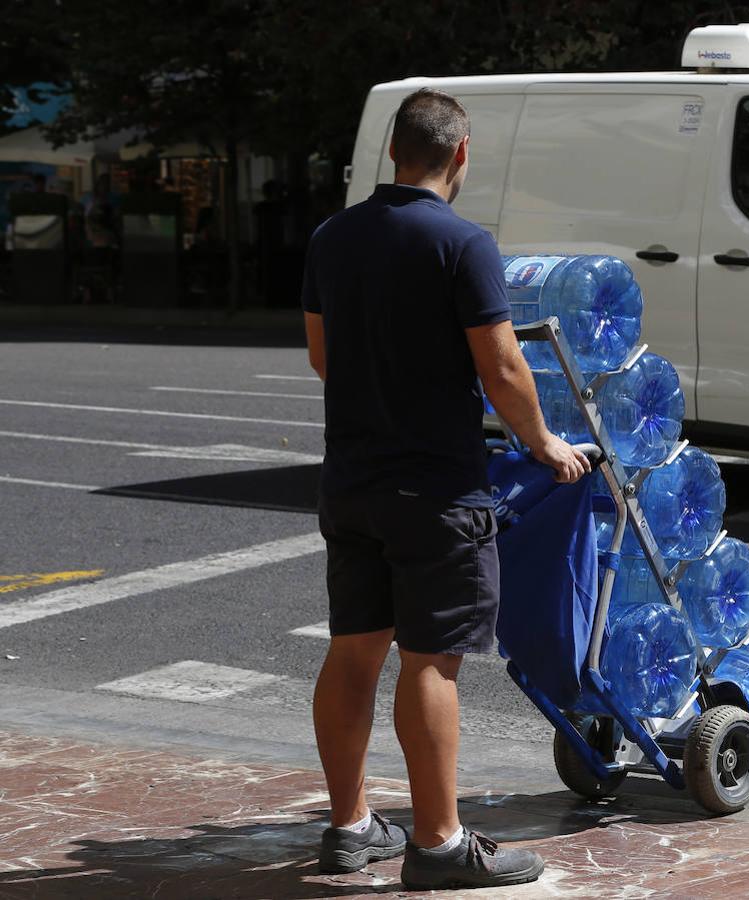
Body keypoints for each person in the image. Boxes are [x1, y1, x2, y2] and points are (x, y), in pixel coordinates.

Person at [300, 87, 590, 890]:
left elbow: (323, 356)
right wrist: (544, 444)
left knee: (354, 654)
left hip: (351, 480)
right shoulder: (464, 244)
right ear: (460, 154)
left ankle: (349, 826)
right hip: (435, 489)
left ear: (396, 150)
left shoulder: (332, 237)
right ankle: (436, 843)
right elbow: (501, 366)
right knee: (431, 664)